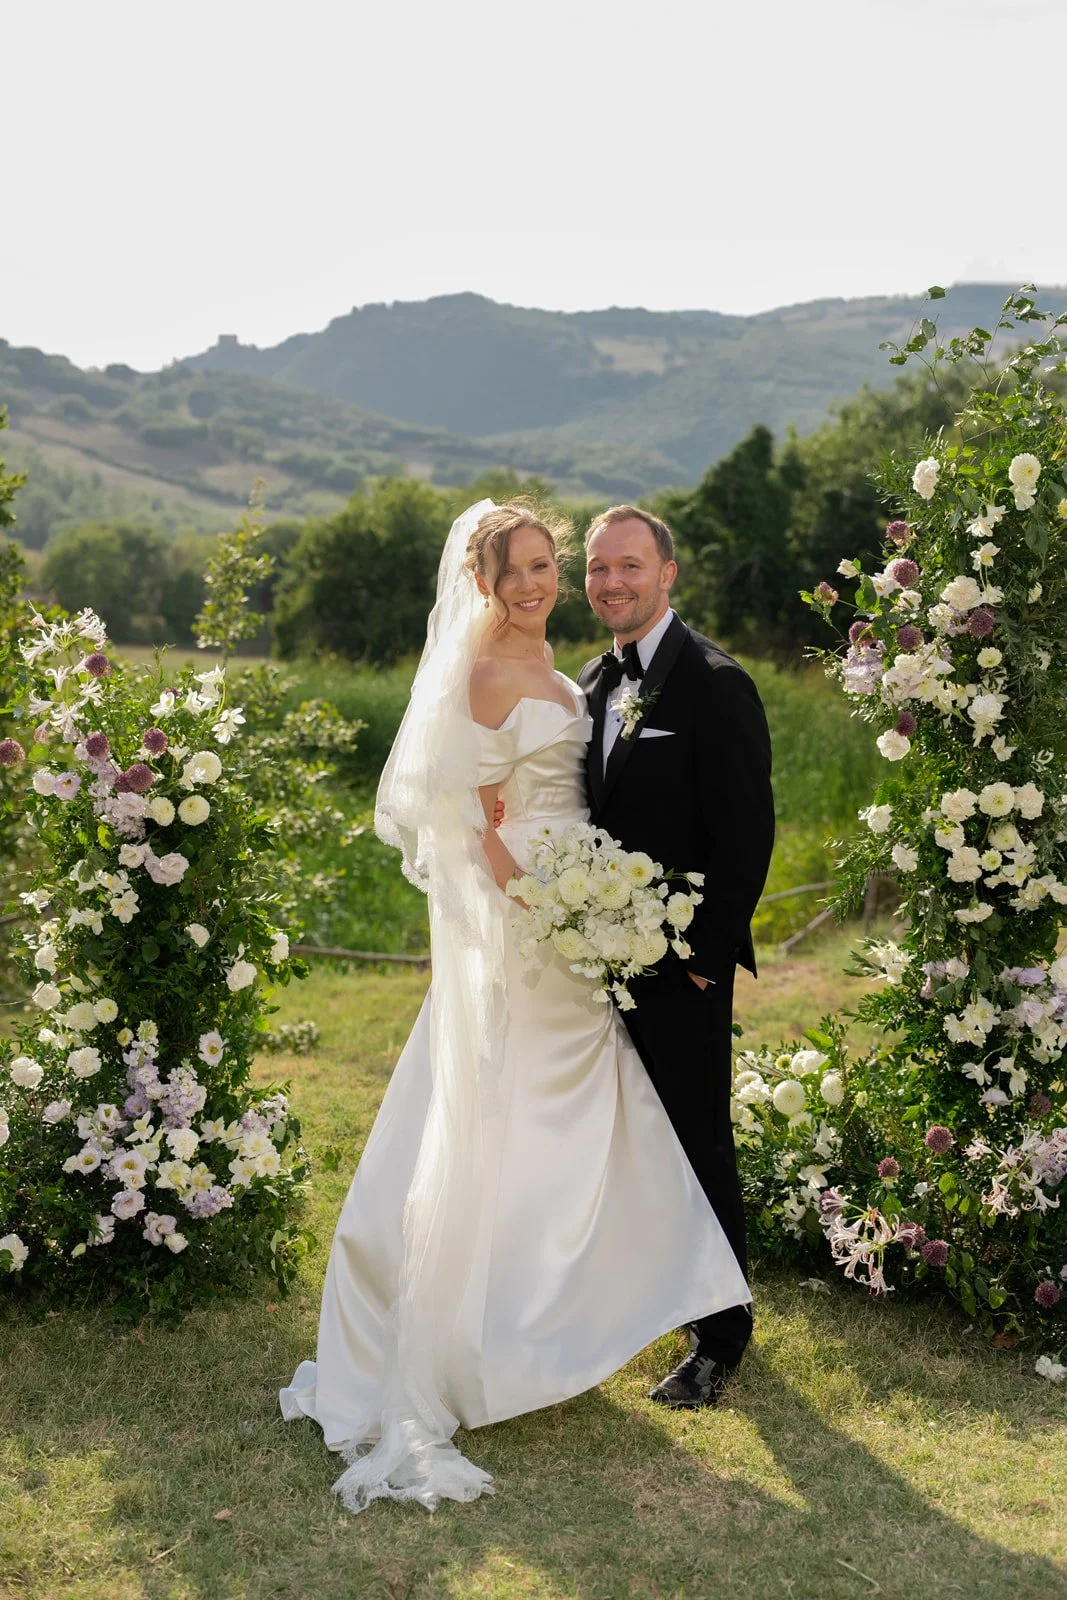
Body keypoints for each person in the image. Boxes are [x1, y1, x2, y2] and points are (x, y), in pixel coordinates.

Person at [280, 500, 750, 1513]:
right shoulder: (502, 674)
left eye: (554, 565)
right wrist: (521, 874)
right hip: (535, 925)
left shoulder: (634, 678)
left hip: (603, 930)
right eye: (524, 571)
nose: (545, 585)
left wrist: (685, 943)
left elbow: (727, 824)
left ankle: (655, 1322)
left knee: (596, 1124)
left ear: (662, 572)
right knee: (523, 1121)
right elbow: (449, 810)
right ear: (482, 584)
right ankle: (497, 1336)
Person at [578, 505, 775, 1408]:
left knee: (697, 1141)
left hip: (680, 967)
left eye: (629, 565)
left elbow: (746, 835)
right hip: (599, 967)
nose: (611, 582)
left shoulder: (715, 683)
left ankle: (720, 1336)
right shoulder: (591, 684)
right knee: (628, 1143)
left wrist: (703, 960)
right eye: (597, 568)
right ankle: (647, 1297)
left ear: (668, 573)